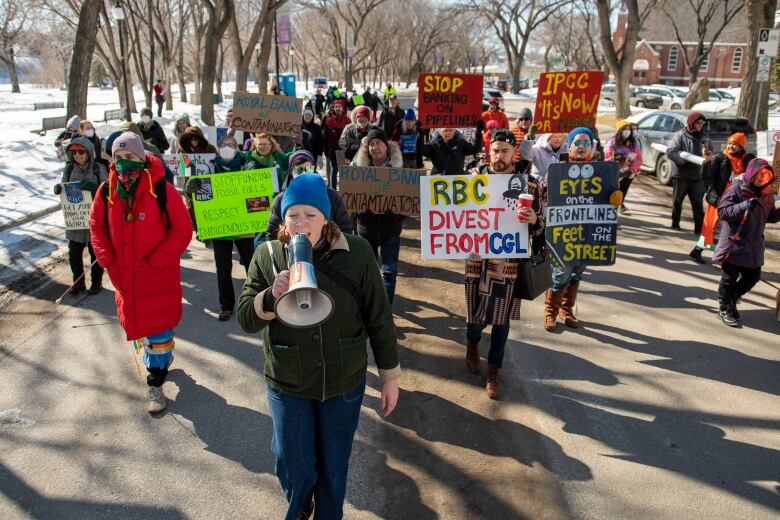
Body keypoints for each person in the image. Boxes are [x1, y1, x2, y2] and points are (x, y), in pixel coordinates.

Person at [237, 173, 400, 520]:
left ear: (325, 219)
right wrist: (271, 294)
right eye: (293, 215)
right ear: (284, 220)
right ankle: (299, 503)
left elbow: (379, 317)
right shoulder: (267, 255)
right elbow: (245, 318)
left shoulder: (357, 253)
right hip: (288, 380)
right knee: (293, 464)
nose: (301, 223)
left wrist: (390, 376)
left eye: (310, 215)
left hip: (342, 382)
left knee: (334, 467)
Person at [89, 132, 192, 413]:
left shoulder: (160, 189)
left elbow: (182, 229)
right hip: (125, 279)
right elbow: (96, 227)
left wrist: (158, 260)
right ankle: (161, 360)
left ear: (141, 158)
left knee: (157, 333)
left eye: (130, 157)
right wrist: (107, 258)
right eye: (118, 158)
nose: (124, 164)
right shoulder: (106, 191)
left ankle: (155, 385)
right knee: (142, 332)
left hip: (157, 279)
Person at [465, 129, 545, 398]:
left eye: (505, 151)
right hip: (478, 261)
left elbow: (541, 227)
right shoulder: (474, 180)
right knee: (476, 317)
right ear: (489, 151)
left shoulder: (529, 185)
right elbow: (454, 217)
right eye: (495, 150)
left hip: (509, 266)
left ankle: (494, 369)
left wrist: (534, 220)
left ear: (515, 153)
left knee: (501, 321)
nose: (499, 156)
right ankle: (472, 343)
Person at [543, 127, 623, 332]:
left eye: (585, 142)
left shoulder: (601, 171)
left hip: (587, 233)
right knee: (561, 272)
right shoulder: (558, 167)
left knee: (577, 271)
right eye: (577, 142)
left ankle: (566, 310)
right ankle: (550, 311)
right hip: (563, 233)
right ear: (569, 145)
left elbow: (608, 200)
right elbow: (544, 192)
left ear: (592, 146)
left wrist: (615, 198)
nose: (581, 146)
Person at [185, 134, 254, 321]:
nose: (227, 147)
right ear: (218, 148)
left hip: (243, 225)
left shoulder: (247, 165)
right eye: (224, 145)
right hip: (220, 226)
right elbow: (198, 195)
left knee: (251, 263)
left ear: (237, 147)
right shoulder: (209, 167)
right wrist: (192, 188)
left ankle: (254, 302)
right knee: (223, 268)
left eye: (230, 145)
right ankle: (226, 305)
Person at [713, 158, 780, 326]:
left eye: (766, 175)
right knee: (729, 278)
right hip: (734, 243)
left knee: (753, 277)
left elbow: (770, 216)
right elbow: (723, 212)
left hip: (754, 245)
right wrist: (744, 205)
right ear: (751, 173)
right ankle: (724, 306)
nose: (762, 179)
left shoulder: (767, 194)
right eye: (759, 175)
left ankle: (732, 299)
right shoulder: (737, 189)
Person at [352, 127, 405, 304]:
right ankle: (371, 311)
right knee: (368, 272)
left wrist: (394, 214)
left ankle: (385, 313)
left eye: (378, 143)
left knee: (389, 272)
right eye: (371, 144)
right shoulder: (358, 170)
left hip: (391, 229)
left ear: (386, 146)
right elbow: (351, 199)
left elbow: (408, 201)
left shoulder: (400, 169)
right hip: (366, 229)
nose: (375, 147)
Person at [53, 137, 108, 295]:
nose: (77, 155)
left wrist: (95, 188)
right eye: (74, 152)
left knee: (95, 253)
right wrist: (59, 189)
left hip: (94, 220)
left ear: (89, 152)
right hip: (76, 220)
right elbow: (64, 187)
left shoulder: (98, 168)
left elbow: (108, 191)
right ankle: (78, 282)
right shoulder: (69, 169)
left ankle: (96, 282)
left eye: (81, 151)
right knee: (74, 254)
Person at [690, 132, 754, 264]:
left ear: (741, 147)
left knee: (729, 228)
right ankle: (701, 251)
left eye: (735, 144)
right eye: (730, 143)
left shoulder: (746, 160)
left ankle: (715, 253)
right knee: (712, 227)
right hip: (719, 198)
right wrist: (707, 162)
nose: (731, 146)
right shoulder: (721, 158)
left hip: (736, 200)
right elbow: (707, 177)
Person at [265, 149, 353, 241]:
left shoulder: (330, 195)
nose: (304, 173)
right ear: (291, 172)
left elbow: (345, 229)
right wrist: (283, 253)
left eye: (308, 169)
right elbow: (271, 235)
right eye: (298, 169)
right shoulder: (281, 199)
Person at [667, 111, 712, 233]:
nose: (700, 125)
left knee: (698, 204)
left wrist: (707, 154)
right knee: (677, 201)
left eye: (702, 123)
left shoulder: (705, 137)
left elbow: (710, 154)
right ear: (692, 122)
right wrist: (683, 161)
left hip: (697, 176)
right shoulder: (681, 135)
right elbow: (670, 151)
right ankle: (675, 224)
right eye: (698, 122)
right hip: (681, 175)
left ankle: (699, 229)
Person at [604, 119, 642, 214]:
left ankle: (619, 205)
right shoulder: (612, 143)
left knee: (623, 190)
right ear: (620, 130)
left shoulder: (633, 144)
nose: (628, 132)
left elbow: (639, 159)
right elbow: (606, 157)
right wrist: (617, 159)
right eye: (625, 129)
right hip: (613, 171)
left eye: (629, 129)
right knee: (611, 191)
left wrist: (632, 170)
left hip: (627, 171)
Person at [321, 99, 351, 188]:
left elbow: (350, 137)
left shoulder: (347, 120)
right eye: (336, 106)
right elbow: (325, 137)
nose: (338, 108)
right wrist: (325, 150)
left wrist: (349, 151)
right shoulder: (329, 120)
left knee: (342, 171)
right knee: (334, 170)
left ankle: (343, 188)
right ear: (333, 108)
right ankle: (332, 190)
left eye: (340, 106)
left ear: (343, 108)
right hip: (332, 150)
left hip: (343, 151)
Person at [510, 108, 533, 173]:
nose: (523, 121)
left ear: (531, 120)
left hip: (529, 163)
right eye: (521, 119)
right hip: (515, 162)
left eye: (526, 119)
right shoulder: (513, 130)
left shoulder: (534, 131)